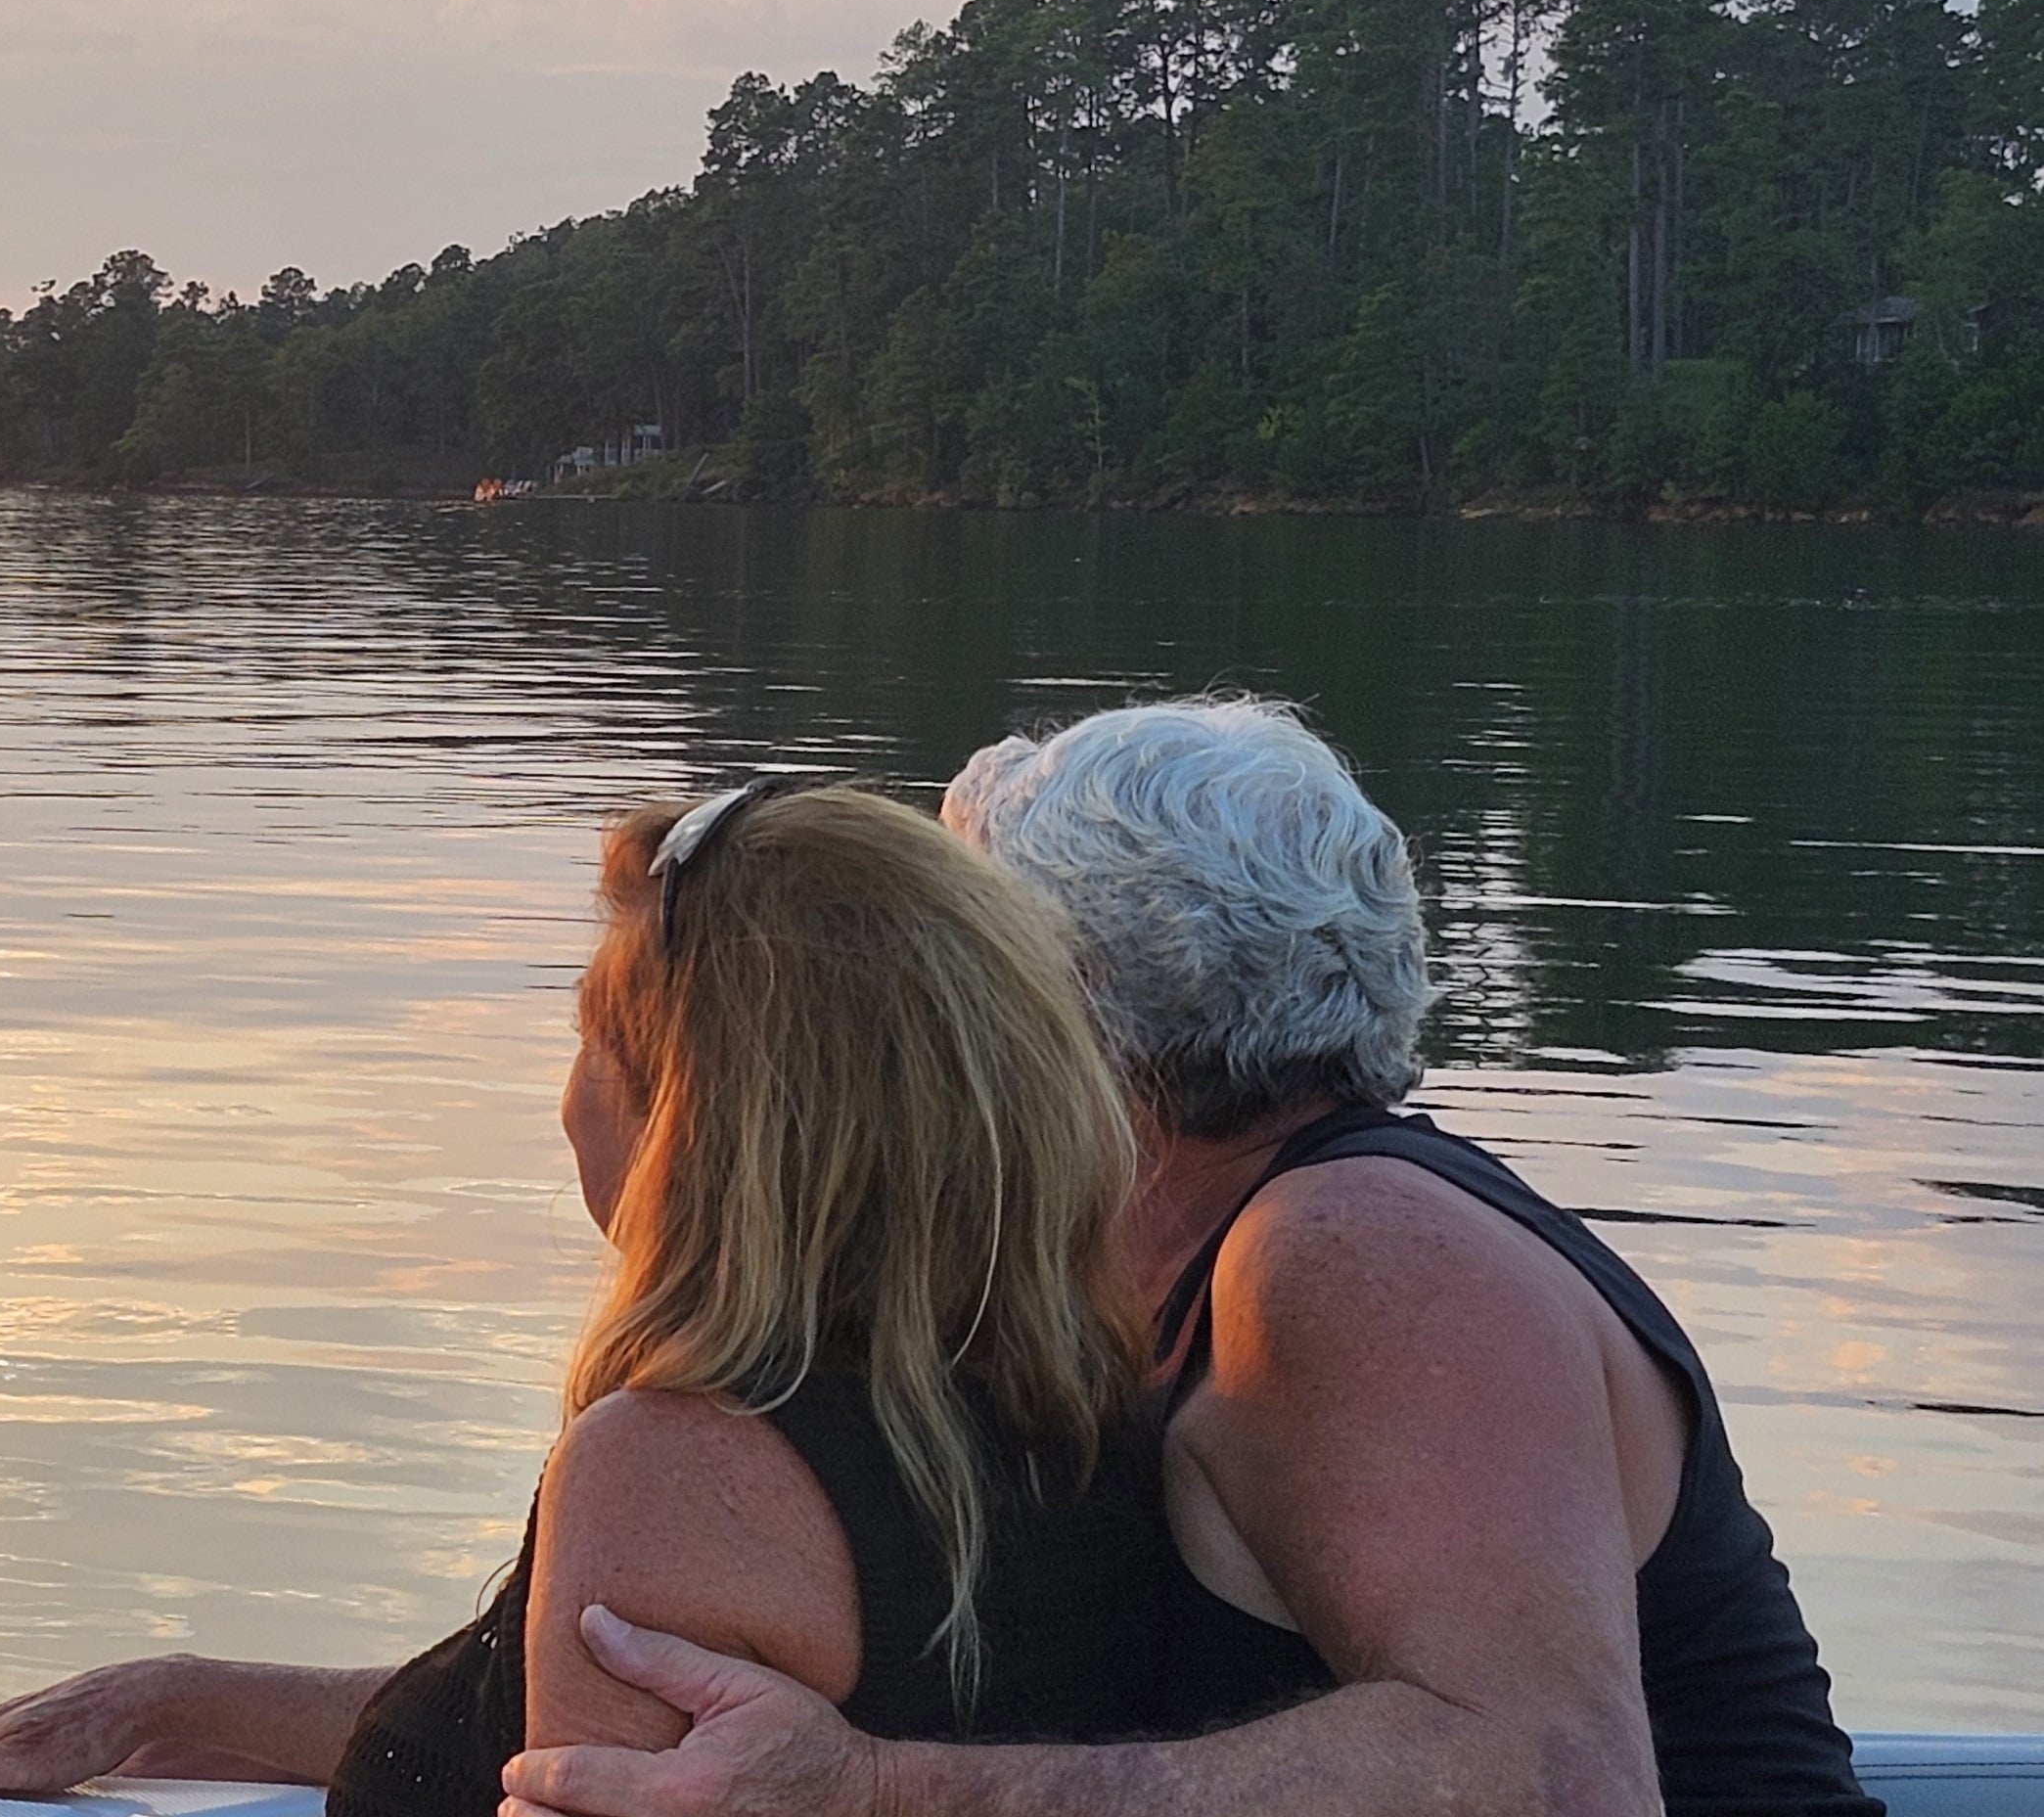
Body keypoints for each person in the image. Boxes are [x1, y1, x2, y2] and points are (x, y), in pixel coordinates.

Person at [502, 700, 1882, 1817]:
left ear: (1053, 1005)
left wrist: (871, 1792)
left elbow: (1557, 1785)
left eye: (956, 967)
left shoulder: (1351, 1247)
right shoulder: (1127, 1290)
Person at [0, 781, 1181, 1813]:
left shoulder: (677, 1468)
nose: (564, 1100)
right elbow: (553, 1723)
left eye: (587, 1041)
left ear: (692, 1119)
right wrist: (180, 1700)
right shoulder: (1085, 1400)